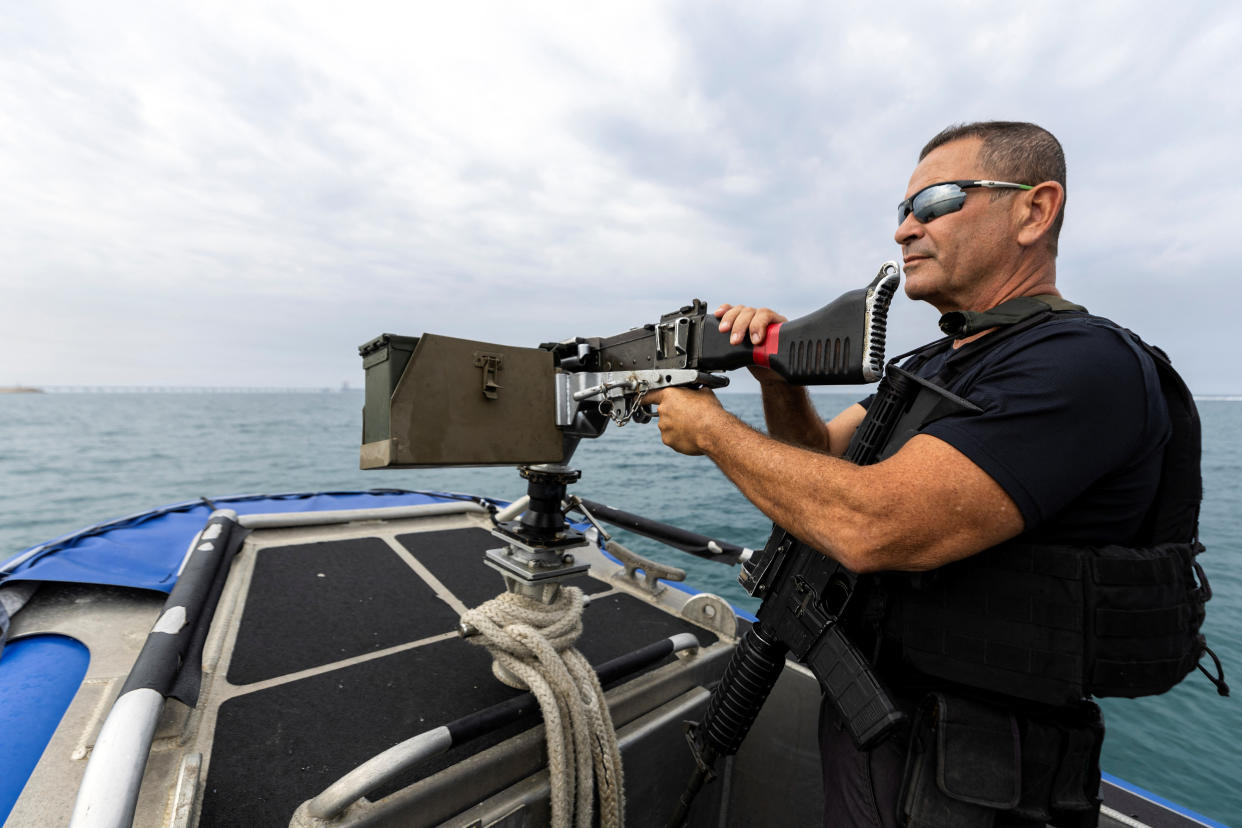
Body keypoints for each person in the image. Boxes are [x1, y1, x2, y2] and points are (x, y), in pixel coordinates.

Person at [644, 122, 1197, 827]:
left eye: (935, 202)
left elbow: (869, 525)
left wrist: (712, 430)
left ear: (1035, 209)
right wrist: (777, 376)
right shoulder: (933, 367)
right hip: (887, 735)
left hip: (981, 776)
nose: (906, 229)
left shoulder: (1081, 364)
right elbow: (821, 471)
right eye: (901, 212)